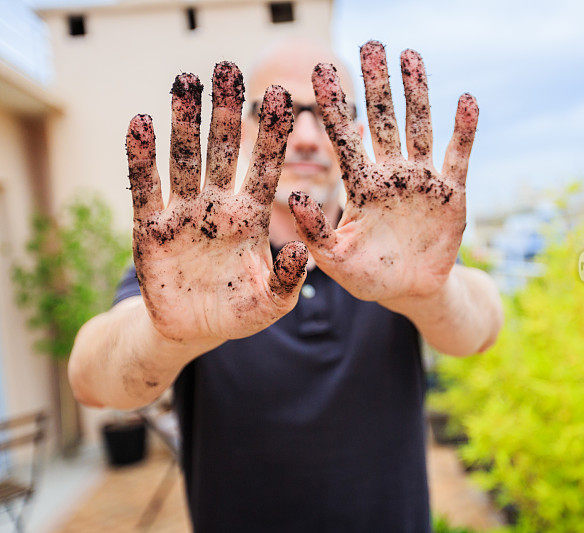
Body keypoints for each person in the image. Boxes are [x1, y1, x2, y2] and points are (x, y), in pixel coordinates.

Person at [68, 39, 503, 532]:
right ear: (245, 132)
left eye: (328, 112)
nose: (306, 137)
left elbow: (481, 329)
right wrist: (170, 334)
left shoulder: (397, 246)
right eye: (279, 112)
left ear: (355, 133)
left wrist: (425, 293)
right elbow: (90, 378)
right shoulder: (191, 263)